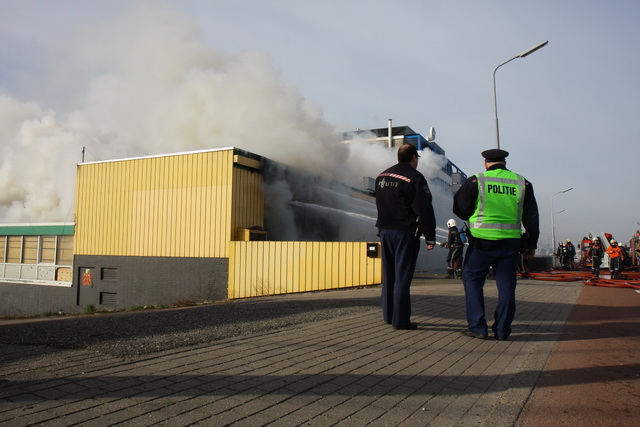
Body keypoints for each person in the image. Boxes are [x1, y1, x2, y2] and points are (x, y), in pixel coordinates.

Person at [453, 148, 539, 341]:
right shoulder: (522, 183)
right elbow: (532, 217)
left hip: (481, 242)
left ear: (486, 163)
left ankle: (477, 327)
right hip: (510, 243)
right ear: (505, 163)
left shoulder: (477, 180)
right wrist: (530, 244)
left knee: (473, 281)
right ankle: (502, 330)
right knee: (507, 286)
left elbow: (460, 208)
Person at [375, 144, 437, 330]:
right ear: (413, 158)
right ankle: (400, 320)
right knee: (402, 277)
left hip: (385, 231)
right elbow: (424, 209)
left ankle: (388, 315)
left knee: (389, 275)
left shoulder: (381, 176)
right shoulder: (415, 178)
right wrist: (430, 237)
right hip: (405, 233)